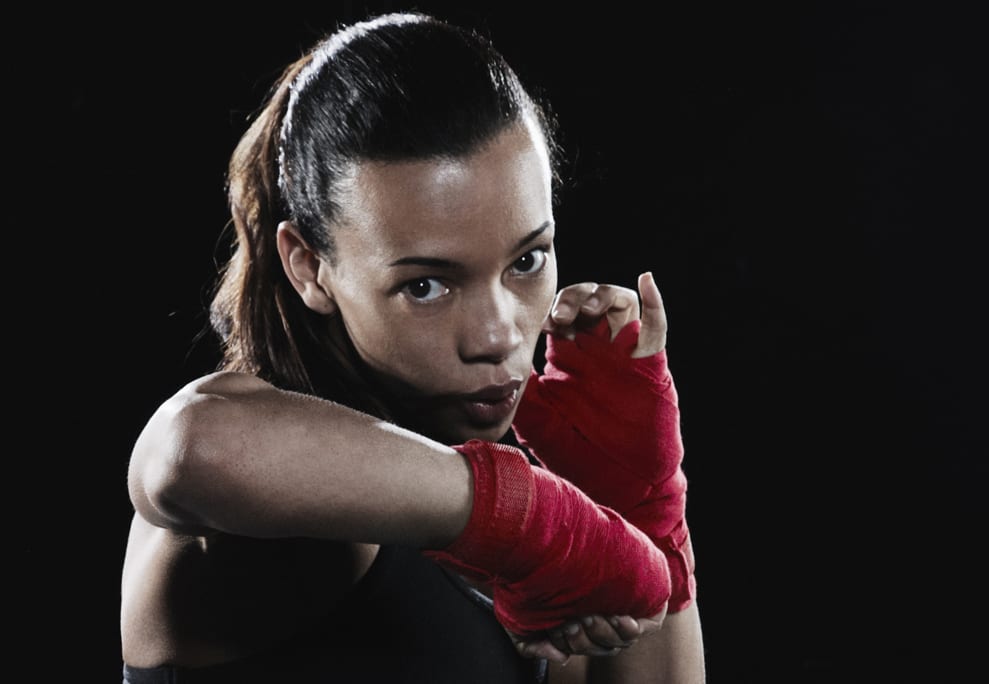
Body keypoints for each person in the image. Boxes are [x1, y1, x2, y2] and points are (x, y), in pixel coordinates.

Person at [120, 11, 705, 684]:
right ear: (309, 266)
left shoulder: (518, 540)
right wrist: (531, 519)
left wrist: (642, 510)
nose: (499, 336)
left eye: (527, 261)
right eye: (425, 285)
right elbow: (193, 450)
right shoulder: (266, 522)